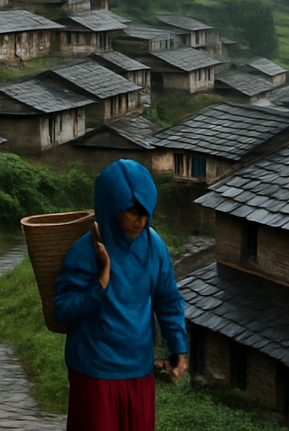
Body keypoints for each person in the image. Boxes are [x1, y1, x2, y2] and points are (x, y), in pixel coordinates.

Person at [53, 158, 188, 431]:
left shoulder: (155, 247)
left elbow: (168, 300)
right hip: (94, 374)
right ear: (111, 207)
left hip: (139, 372)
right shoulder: (85, 251)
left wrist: (178, 348)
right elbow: (63, 309)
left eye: (145, 212)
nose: (140, 221)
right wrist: (101, 282)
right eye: (132, 211)